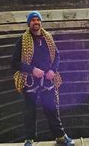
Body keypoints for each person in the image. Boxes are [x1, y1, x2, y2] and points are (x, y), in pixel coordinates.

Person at [11, 11, 74, 146]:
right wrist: (32, 70)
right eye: (33, 20)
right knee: (29, 112)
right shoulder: (22, 41)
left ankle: (60, 136)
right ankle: (29, 139)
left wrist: (53, 70)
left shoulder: (48, 38)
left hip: (47, 81)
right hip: (30, 82)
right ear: (29, 23)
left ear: (40, 22)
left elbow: (57, 56)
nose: (36, 22)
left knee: (52, 110)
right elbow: (14, 62)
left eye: (37, 20)